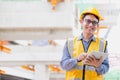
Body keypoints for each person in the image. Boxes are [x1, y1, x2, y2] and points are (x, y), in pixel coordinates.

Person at [60, 7, 109, 80]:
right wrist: (77, 59)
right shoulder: (70, 42)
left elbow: (105, 68)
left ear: (97, 26)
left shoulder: (102, 44)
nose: (91, 25)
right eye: (88, 21)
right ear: (81, 22)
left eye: (94, 22)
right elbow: (64, 65)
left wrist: (98, 66)